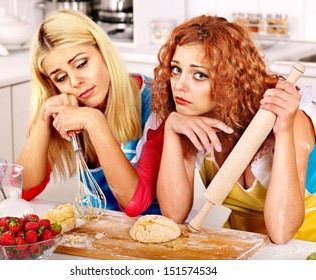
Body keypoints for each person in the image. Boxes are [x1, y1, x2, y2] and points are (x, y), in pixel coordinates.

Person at [151, 15, 316, 244]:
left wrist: (284, 132)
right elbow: (173, 215)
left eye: (200, 75)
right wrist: (171, 129)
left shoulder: (288, 119)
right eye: (176, 70)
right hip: (240, 243)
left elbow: (281, 232)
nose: (179, 85)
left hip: (304, 248)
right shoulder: (192, 116)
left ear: (231, 80)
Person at [16, 9, 164, 217]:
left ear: (103, 52)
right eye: (60, 78)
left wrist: (94, 122)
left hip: (150, 230)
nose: (75, 82)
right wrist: (44, 117)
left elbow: (135, 203)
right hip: (95, 226)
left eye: (81, 64)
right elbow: (21, 190)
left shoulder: (155, 100)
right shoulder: (70, 106)